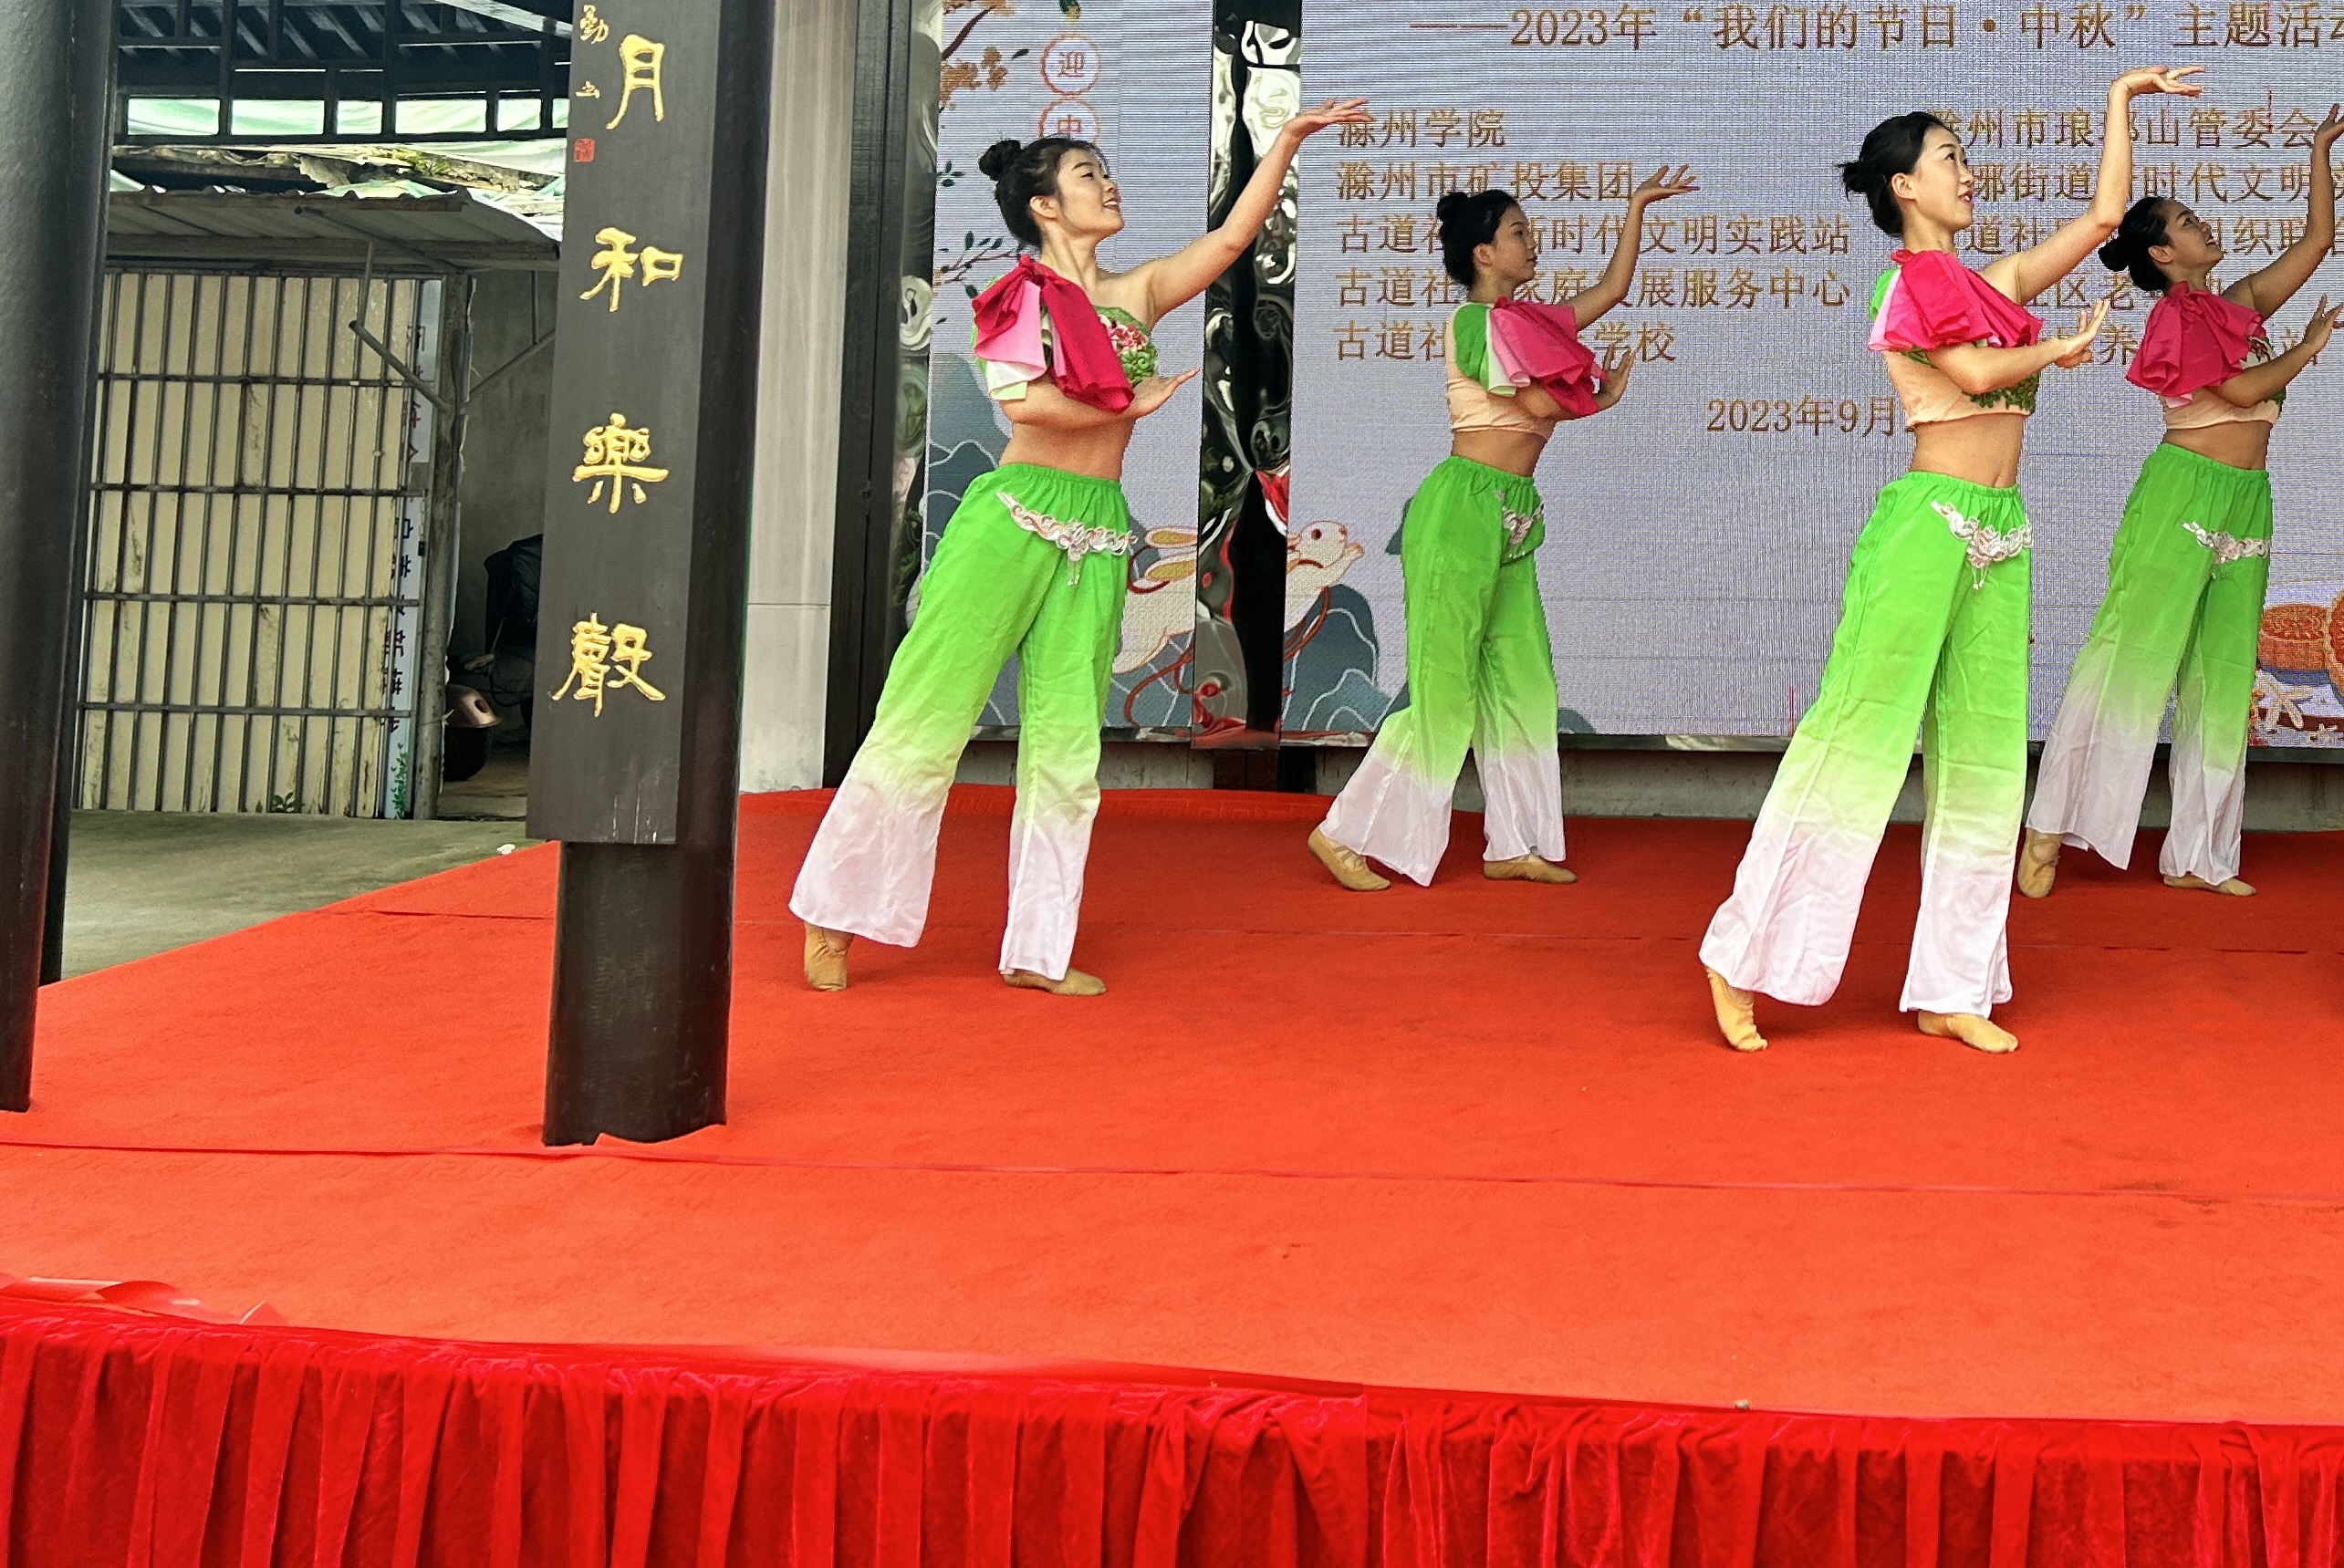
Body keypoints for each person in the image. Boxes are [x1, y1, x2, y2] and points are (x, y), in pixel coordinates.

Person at [793, 101, 1364, 996]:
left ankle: (1038, 949)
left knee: (1066, 745)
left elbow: (1228, 242)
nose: (1109, 184)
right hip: (1013, 516)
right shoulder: (1016, 296)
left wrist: (1287, 141)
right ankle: (835, 914)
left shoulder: (1136, 294)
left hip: (1096, 526)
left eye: (1105, 171)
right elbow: (1022, 404)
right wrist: (1128, 403)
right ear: (1045, 206)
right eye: (1088, 175)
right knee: (926, 714)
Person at [1699, 67, 2199, 1056]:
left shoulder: (1989, 285)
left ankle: (1953, 985)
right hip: (1928, 527)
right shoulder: (1909, 283)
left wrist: (2120, 98)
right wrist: (2054, 352)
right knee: (1856, 738)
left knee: (1985, 758)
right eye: (1950, 159)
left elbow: (2105, 218)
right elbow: (1969, 373)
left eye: (1965, 158)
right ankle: (1744, 954)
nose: (1968, 173)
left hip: (1999, 531)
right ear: (1905, 187)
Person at [2019, 94, 2344, 901]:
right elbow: (2241, 393)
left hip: (2247, 498)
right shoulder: (2174, 320)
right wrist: (2307, 349)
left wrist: (2319, 149)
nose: (2203, 224)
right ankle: (2049, 827)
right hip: (2183, 493)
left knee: (2223, 671)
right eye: (2186, 221)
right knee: (2130, 659)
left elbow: (2316, 241)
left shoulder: (2238, 304)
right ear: (2162, 252)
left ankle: (2199, 855)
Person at [1309, 166, 1697, 890]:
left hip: (1512, 514)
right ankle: (1343, 834)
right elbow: (1542, 408)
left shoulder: (1533, 322)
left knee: (1524, 680)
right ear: (1484, 253)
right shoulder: (1477, 323)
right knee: (1445, 686)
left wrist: (1637, 207)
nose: (1531, 242)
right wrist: (1599, 398)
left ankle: (1513, 843)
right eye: (1519, 233)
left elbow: (1611, 292)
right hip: (1462, 510)